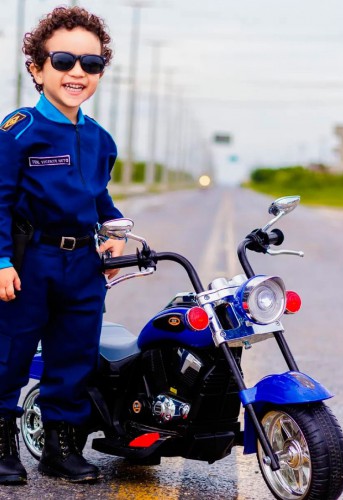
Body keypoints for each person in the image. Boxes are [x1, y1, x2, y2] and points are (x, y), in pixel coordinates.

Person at [0, 6, 125, 484]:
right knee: (9, 355)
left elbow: (100, 199)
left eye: (91, 65)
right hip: (30, 262)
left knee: (74, 357)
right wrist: (2, 260)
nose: (78, 73)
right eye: (64, 61)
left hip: (83, 267)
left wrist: (114, 233)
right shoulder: (20, 131)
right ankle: (2, 447)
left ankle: (60, 448)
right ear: (36, 68)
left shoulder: (100, 139)